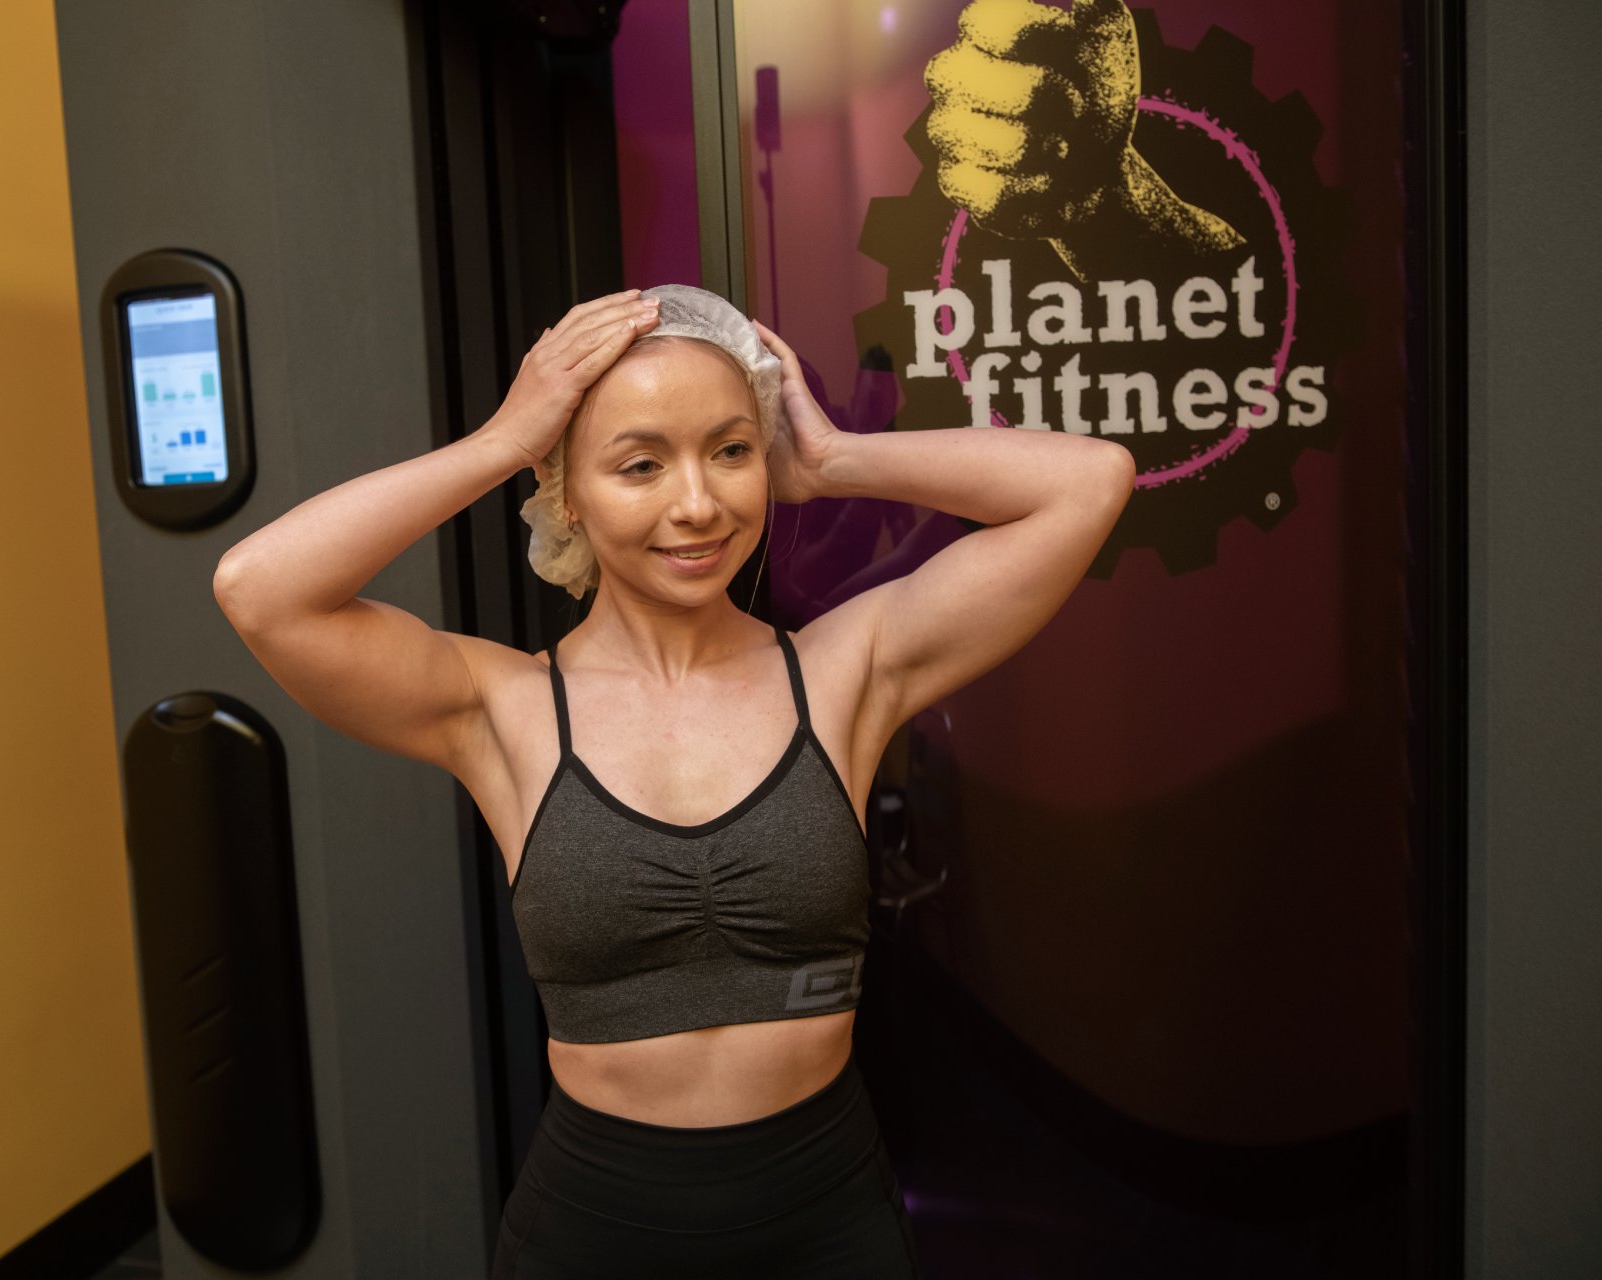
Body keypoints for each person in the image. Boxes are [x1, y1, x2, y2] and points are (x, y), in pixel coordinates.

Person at [211, 284, 1135, 1277]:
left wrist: (833, 460)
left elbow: (1090, 481)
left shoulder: (844, 671)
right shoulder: (502, 706)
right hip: (597, 1231)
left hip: (829, 1224)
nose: (697, 503)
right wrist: (505, 440)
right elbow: (260, 589)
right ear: (567, 491)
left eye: (731, 451)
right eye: (640, 464)